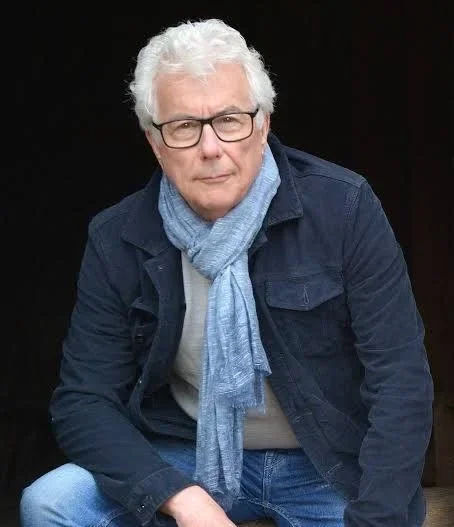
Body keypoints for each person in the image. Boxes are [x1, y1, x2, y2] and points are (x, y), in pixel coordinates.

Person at [20, 18, 434, 527]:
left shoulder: (343, 208)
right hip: (190, 460)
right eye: (184, 127)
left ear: (263, 125)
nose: (211, 148)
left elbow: (399, 379)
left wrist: (378, 516)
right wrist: (181, 498)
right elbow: (84, 401)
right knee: (51, 502)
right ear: (155, 142)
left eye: (230, 120)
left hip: (328, 464)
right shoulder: (118, 237)